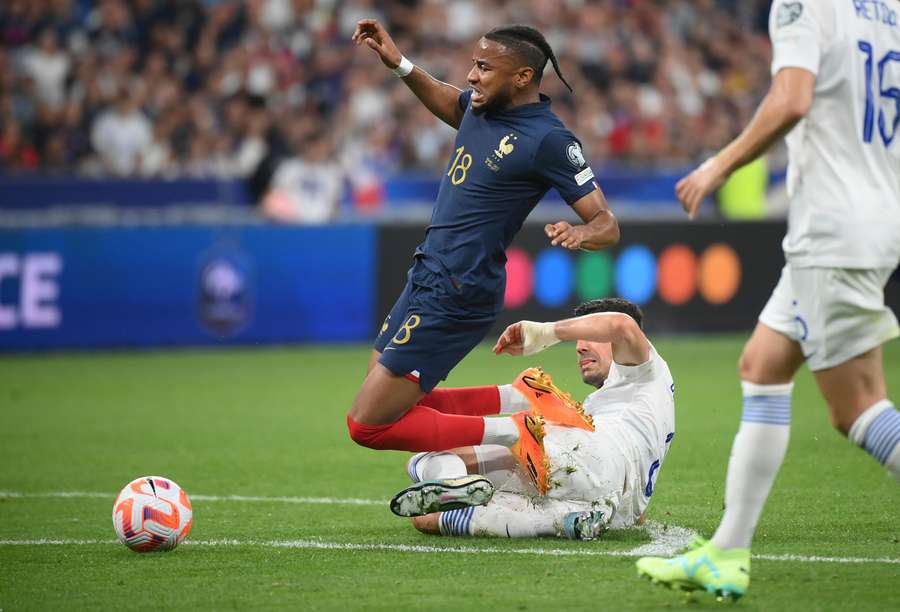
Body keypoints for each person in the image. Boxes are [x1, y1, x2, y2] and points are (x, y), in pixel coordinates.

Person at [636, 0, 900, 601]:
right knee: (763, 365)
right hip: (872, 215)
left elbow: (792, 98)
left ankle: (726, 552)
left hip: (833, 228)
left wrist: (718, 165)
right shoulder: (887, 13)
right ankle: (726, 552)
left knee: (857, 407)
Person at [345, 20, 620, 492]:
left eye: (484, 67)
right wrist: (399, 64)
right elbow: (442, 95)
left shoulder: (549, 140)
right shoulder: (479, 107)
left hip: (460, 287)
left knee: (367, 424)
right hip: (427, 272)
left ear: (522, 77)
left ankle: (515, 431)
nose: (473, 75)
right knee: (392, 403)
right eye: (474, 64)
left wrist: (581, 234)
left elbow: (607, 224)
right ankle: (517, 401)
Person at [386, 298, 675, 541]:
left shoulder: (644, 370)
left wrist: (546, 332)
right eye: (578, 339)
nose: (580, 347)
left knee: (423, 460)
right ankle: (561, 523)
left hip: (589, 457)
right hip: (612, 507)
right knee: (425, 520)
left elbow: (622, 325)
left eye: (592, 336)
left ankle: (466, 470)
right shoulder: (631, 404)